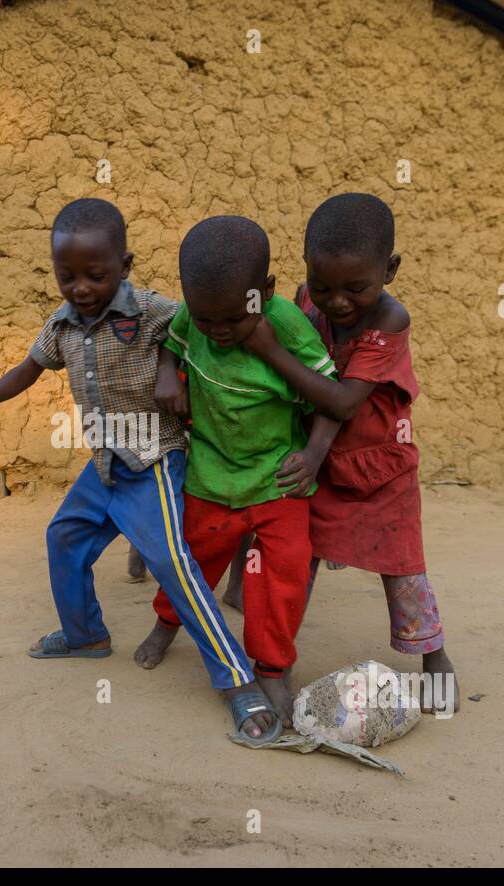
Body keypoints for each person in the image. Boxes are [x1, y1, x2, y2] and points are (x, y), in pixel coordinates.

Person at [0, 198, 279, 742]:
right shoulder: (61, 324)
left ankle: (236, 679)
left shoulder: (152, 311)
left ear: (124, 266)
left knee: (173, 563)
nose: (80, 288)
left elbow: (193, 325)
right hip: (104, 460)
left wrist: (170, 372)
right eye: (67, 276)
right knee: (64, 536)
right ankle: (84, 636)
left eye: (95, 275)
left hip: (152, 459)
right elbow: (29, 367)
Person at [241, 193, 458, 712]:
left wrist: (267, 347)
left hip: (380, 466)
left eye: (355, 287)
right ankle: (276, 664)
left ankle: (435, 660)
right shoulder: (305, 302)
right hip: (321, 464)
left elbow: (340, 399)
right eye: (323, 286)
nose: (337, 301)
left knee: (403, 569)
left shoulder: (390, 319)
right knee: (296, 559)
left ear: (391, 270)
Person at [142, 215, 340, 725]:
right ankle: (168, 622)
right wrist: (169, 373)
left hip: (279, 478)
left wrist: (314, 454)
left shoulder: (289, 327)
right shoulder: (196, 314)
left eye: (232, 320)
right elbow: (174, 340)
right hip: (211, 471)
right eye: (207, 322)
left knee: (283, 573)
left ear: (265, 291)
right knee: (191, 560)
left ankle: (272, 667)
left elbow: (333, 399)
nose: (219, 332)